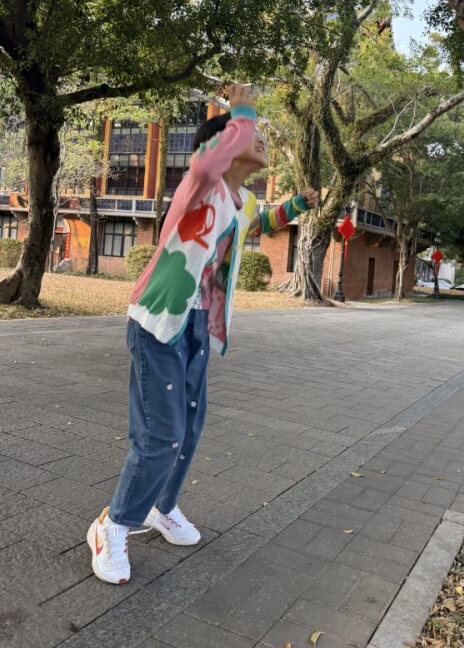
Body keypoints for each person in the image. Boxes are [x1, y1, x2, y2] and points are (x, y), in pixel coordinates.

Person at [87, 84, 318, 585]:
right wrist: (243, 110)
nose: (260, 144)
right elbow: (212, 162)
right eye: (248, 138)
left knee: (188, 429)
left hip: (195, 324)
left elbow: (266, 221)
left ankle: (159, 507)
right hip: (159, 320)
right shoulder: (200, 184)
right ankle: (114, 523)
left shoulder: (242, 199)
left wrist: (299, 203)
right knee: (160, 434)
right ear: (222, 145)